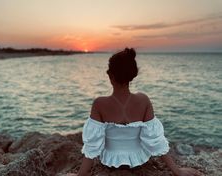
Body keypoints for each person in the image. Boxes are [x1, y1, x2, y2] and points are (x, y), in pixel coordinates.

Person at [67, 48, 202, 176]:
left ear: (110, 75)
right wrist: (177, 171)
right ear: (133, 75)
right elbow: (155, 140)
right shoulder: (143, 100)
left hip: (110, 164)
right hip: (139, 162)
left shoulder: (99, 104)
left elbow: (92, 146)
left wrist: (80, 175)